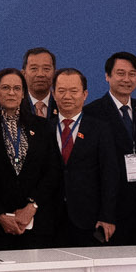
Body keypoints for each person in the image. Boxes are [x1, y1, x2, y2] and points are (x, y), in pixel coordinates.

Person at [0, 68, 57, 250]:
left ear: (23, 93)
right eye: (5, 88)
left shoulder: (42, 127)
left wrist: (32, 206)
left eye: (17, 88)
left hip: (35, 222)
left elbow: (52, 171)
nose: (11, 93)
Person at [80, 51, 136, 245]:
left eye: (132, 74)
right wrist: (103, 212)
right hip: (109, 210)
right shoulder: (91, 113)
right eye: (120, 73)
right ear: (107, 76)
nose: (126, 79)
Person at [46, 68, 113, 246]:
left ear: (85, 95)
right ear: (53, 94)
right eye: (61, 91)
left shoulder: (100, 129)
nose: (67, 96)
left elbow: (110, 175)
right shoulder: (43, 129)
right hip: (50, 218)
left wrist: (107, 216)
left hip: (89, 219)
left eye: (74, 91)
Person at [21, 46, 57, 119]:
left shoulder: (62, 105)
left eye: (46, 69)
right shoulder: (15, 105)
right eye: (34, 68)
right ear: (23, 74)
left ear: (54, 74)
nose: (40, 74)